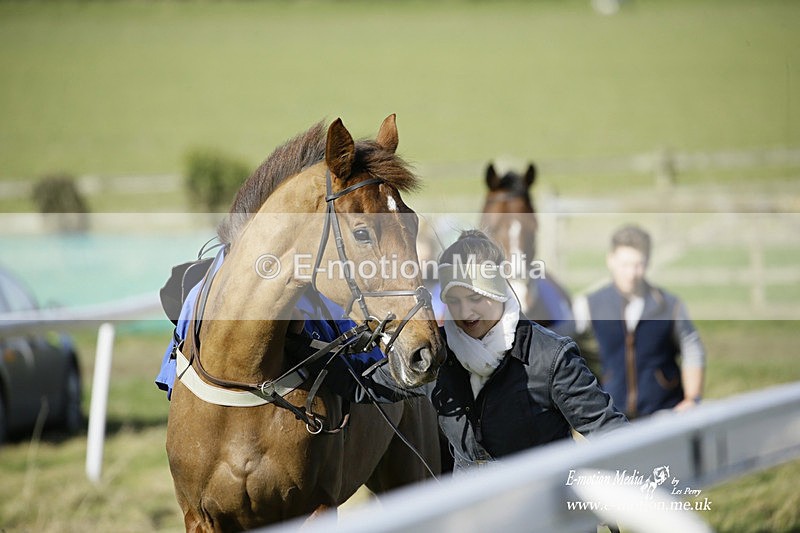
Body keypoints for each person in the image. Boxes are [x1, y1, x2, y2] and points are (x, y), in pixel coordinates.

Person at [318, 230, 627, 472]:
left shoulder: (551, 357)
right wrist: (294, 343)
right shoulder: (436, 354)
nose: (465, 311)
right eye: (455, 300)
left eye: (476, 297)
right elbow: (361, 384)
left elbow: (610, 432)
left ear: (498, 291)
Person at [573, 224, 706, 420]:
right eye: (624, 265)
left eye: (638, 265)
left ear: (648, 262)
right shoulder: (589, 305)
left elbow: (692, 349)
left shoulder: (671, 306)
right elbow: (563, 341)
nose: (631, 273)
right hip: (612, 416)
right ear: (610, 261)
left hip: (664, 413)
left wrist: (692, 398)